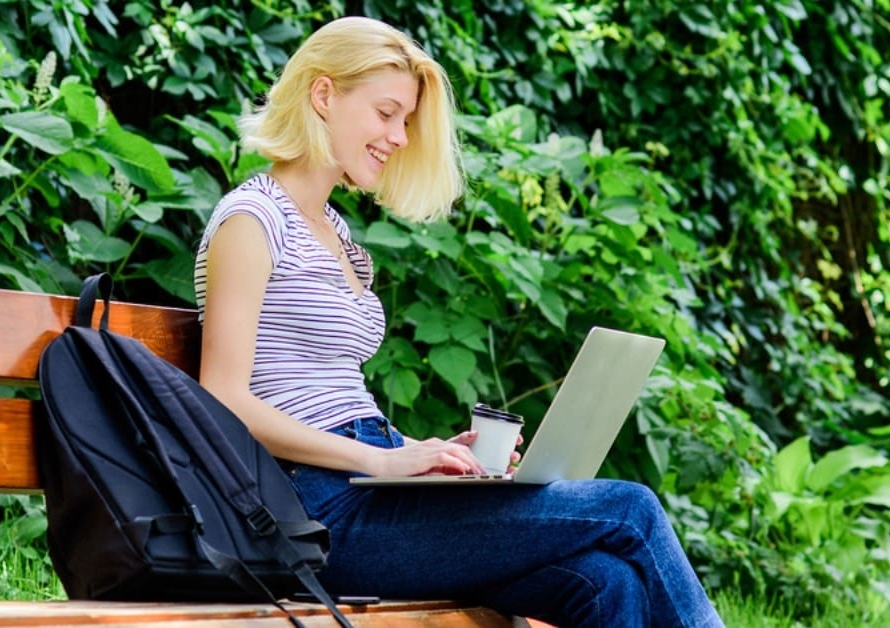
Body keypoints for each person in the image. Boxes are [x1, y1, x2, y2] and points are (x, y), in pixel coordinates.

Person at [193, 15, 723, 628]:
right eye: (386, 112)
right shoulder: (251, 220)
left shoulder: (337, 234)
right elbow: (224, 401)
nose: (397, 136)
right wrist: (381, 464)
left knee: (604, 582)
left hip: (369, 484)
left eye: (406, 121)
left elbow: (334, 394)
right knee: (631, 509)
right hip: (316, 514)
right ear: (323, 95)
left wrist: (423, 452)